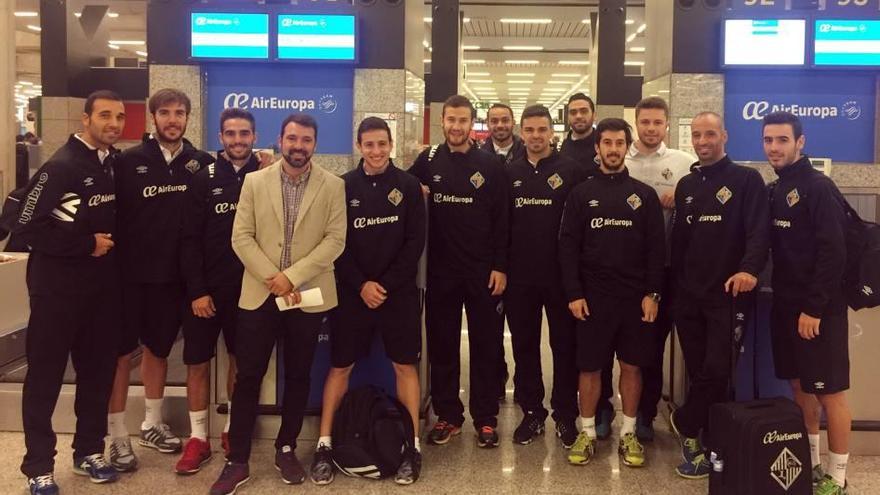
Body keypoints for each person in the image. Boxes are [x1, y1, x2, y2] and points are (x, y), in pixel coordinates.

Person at [210, 113, 346, 495]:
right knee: (248, 376)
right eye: (291, 139)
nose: (298, 146)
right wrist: (274, 278)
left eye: (305, 140)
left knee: (299, 374)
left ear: (314, 144)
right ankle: (237, 460)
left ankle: (286, 448)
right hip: (260, 293)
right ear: (280, 140)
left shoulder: (332, 186)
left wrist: (293, 277)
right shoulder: (255, 182)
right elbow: (241, 237)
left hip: (306, 294)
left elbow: (335, 241)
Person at [14, 90, 126, 494]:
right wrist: (84, 245)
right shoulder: (61, 165)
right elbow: (23, 225)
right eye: (104, 116)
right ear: (85, 119)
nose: (113, 124)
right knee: (45, 377)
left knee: (96, 374)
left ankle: (89, 451)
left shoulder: (110, 164)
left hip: (99, 294)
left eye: (119, 117)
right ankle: (38, 467)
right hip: (56, 293)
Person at [309, 116, 426, 486]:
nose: (376, 151)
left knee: (405, 368)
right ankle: (324, 445)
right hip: (352, 296)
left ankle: (412, 447)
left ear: (391, 144)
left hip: (398, 296)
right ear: (359, 146)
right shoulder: (342, 187)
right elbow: (335, 243)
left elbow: (414, 244)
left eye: (382, 144)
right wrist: (361, 285)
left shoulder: (407, 186)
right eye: (369, 144)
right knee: (339, 367)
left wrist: (384, 285)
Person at [108, 89, 215, 471]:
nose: (173, 119)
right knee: (127, 355)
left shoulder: (202, 163)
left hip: (183, 280)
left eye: (180, 113)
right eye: (165, 113)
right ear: (152, 118)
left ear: (189, 117)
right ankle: (123, 433)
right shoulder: (127, 163)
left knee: (163, 352)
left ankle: (155, 423)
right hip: (135, 278)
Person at [559, 118, 665, 468]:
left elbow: (656, 250)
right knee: (589, 368)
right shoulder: (581, 194)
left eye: (620, 143)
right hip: (592, 298)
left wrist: (653, 294)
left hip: (635, 299)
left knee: (632, 366)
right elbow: (568, 247)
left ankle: (629, 432)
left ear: (627, 147)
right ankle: (587, 433)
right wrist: (574, 293)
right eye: (607, 143)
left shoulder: (644, 196)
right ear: (597, 148)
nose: (614, 149)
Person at [669, 111, 769, 479]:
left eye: (710, 134)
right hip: (688, 298)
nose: (702, 141)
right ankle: (705, 449)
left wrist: (749, 270)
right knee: (699, 374)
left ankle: (686, 420)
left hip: (728, 297)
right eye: (696, 135)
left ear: (724, 136)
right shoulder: (686, 186)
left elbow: (760, 233)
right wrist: (671, 292)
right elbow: (678, 245)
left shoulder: (747, 180)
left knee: (718, 370)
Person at [408, 94, 509, 448]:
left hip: (483, 273)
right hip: (441, 273)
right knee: (443, 346)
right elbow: (401, 188)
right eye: (450, 120)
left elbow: (502, 220)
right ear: (442, 122)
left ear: (472, 123)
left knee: (485, 346)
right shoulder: (428, 160)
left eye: (462, 120)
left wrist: (500, 266)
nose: (456, 126)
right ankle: (448, 415)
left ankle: (485, 419)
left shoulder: (491, 165)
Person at [763, 111, 851, 495]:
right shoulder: (776, 189)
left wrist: (814, 308)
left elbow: (834, 252)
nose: (774, 147)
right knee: (799, 387)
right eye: (768, 140)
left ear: (800, 142)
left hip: (818, 311)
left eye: (782, 140)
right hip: (785, 306)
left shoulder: (818, 187)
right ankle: (812, 463)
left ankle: (838, 476)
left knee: (828, 391)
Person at [174, 108, 261, 475]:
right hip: (205, 292)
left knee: (241, 363)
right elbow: (189, 239)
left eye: (244, 133)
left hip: (250, 292)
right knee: (196, 362)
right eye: (231, 134)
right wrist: (197, 291)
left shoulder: (266, 174)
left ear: (254, 136)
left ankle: (230, 428)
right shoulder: (202, 178)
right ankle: (197, 438)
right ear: (221, 137)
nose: (238, 140)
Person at [503, 105, 587, 449]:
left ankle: (566, 415)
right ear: (521, 133)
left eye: (542, 129)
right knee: (524, 348)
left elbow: (581, 229)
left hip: (561, 278)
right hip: (520, 277)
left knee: (564, 347)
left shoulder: (573, 171)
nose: (536, 136)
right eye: (530, 129)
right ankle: (532, 412)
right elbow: (501, 225)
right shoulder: (509, 172)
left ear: (552, 132)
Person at [624, 97, 695, 441]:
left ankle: (645, 415)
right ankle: (619, 409)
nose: (651, 128)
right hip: (628, 273)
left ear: (667, 124)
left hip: (669, 272)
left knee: (653, 347)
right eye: (645, 122)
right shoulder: (620, 159)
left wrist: (680, 198)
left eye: (657, 122)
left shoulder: (685, 164)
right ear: (636, 122)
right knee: (629, 348)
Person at [480, 102, 521, 399]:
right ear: (488, 124)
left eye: (505, 120)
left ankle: (524, 384)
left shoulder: (527, 152)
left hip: (523, 254)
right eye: (494, 121)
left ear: (513, 122)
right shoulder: (477, 156)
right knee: (491, 330)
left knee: (522, 330)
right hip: (488, 257)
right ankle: (495, 377)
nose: (500, 125)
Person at [558, 93, 598, 172]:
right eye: (573, 112)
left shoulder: (603, 145)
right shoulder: (563, 149)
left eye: (584, 111)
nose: (578, 116)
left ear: (594, 115)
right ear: (568, 118)